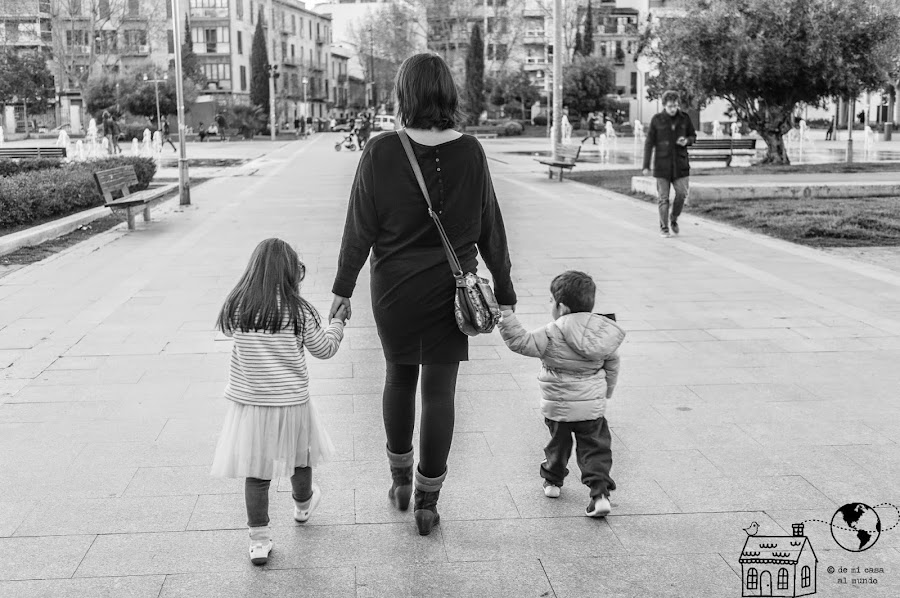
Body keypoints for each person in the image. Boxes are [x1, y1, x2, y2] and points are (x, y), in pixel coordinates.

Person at [330, 53, 516, 536]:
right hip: (455, 292)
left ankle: (398, 482)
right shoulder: (471, 151)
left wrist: (343, 288)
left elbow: (359, 226)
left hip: (393, 288)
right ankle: (429, 501)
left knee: (397, 377)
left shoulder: (381, 150)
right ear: (448, 94)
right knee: (440, 390)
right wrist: (506, 288)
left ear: (404, 95)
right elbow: (490, 225)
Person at [210, 238, 348, 566]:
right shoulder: (300, 311)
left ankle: (259, 541)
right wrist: (338, 324)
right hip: (293, 405)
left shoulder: (238, 306)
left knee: (256, 473)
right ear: (290, 273)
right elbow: (325, 349)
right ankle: (302, 506)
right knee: (301, 459)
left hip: (252, 406)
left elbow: (228, 330)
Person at [498, 271, 624, 517]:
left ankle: (553, 481)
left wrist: (506, 316)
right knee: (595, 449)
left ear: (562, 307)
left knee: (558, 445)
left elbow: (520, 342)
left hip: (558, 407)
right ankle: (599, 494)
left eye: (551, 301)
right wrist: (605, 393)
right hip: (592, 409)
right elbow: (612, 365)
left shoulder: (551, 332)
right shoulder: (603, 331)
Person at [642, 90, 696, 238]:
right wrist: (646, 165)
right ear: (664, 105)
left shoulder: (684, 118)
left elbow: (693, 136)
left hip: (680, 164)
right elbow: (649, 143)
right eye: (670, 106)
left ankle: (674, 218)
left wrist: (687, 140)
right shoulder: (657, 120)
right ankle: (664, 227)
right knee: (663, 198)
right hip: (662, 165)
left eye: (676, 106)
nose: (673, 109)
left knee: (682, 194)